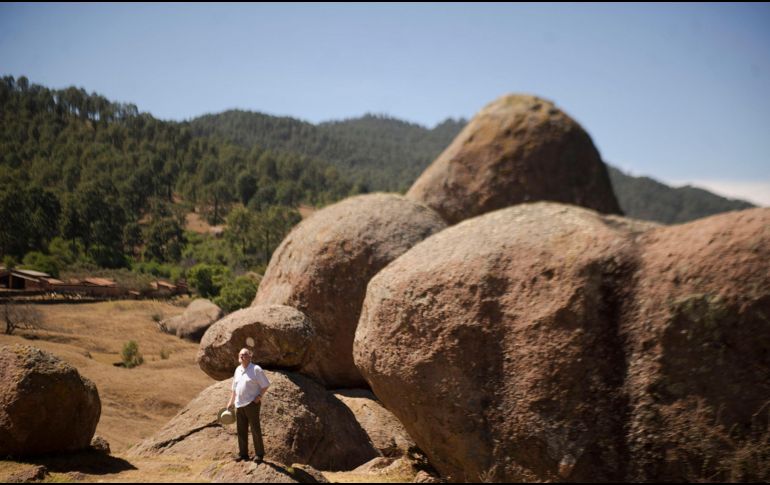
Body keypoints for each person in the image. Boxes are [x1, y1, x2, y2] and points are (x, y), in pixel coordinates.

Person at [226, 347, 270, 463]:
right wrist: (231, 402)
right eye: (240, 354)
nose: (241, 356)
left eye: (244, 354)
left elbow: (265, 385)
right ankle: (243, 454)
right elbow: (234, 388)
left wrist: (259, 397)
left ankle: (259, 455)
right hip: (239, 404)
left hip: (251, 404)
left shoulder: (256, 369)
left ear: (250, 356)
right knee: (241, 430)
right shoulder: (237, 370)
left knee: (255, 429)